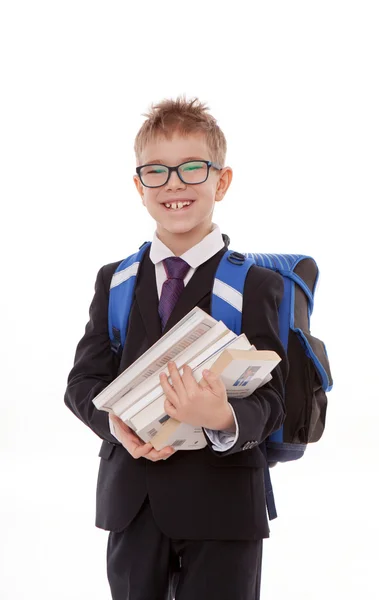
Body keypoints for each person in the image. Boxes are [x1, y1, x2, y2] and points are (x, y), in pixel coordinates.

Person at [64, 95, 289, 600]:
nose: (175, 185)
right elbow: (82, 383)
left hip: (226, 504)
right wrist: (114, 425)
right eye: (157, 172)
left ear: (221, 181)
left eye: (192, 168)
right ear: (138, 185)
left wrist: (224, 416)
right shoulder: (116, 280)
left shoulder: (255, 285)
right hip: (132, 500)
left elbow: (276, 401)